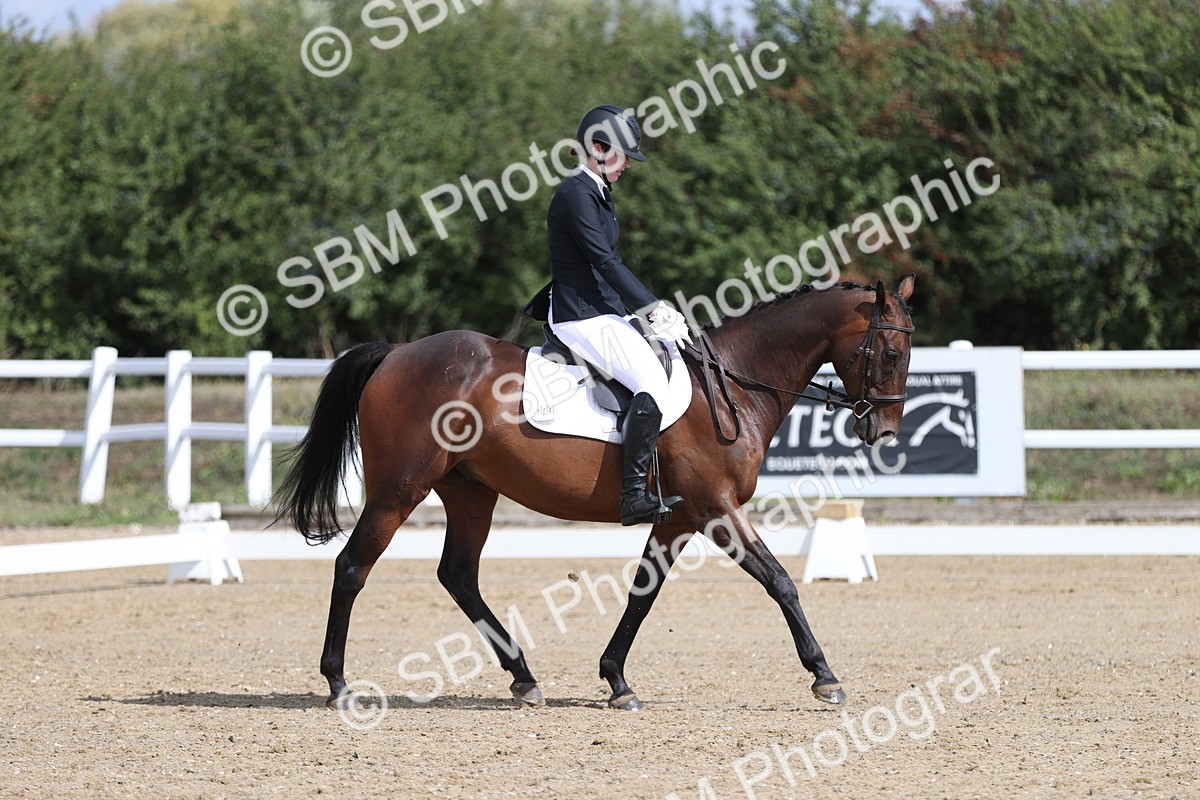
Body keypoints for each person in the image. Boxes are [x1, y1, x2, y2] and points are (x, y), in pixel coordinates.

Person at [524, 104, 691, 526]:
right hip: (579, 317)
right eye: (622, 157)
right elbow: (604, 261)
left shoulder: (599, 193)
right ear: (598, 149)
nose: (628, 167)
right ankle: (633, 494)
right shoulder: (575, 194)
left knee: (668, 359)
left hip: (603, 312)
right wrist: (652, 309)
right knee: (651, 381)